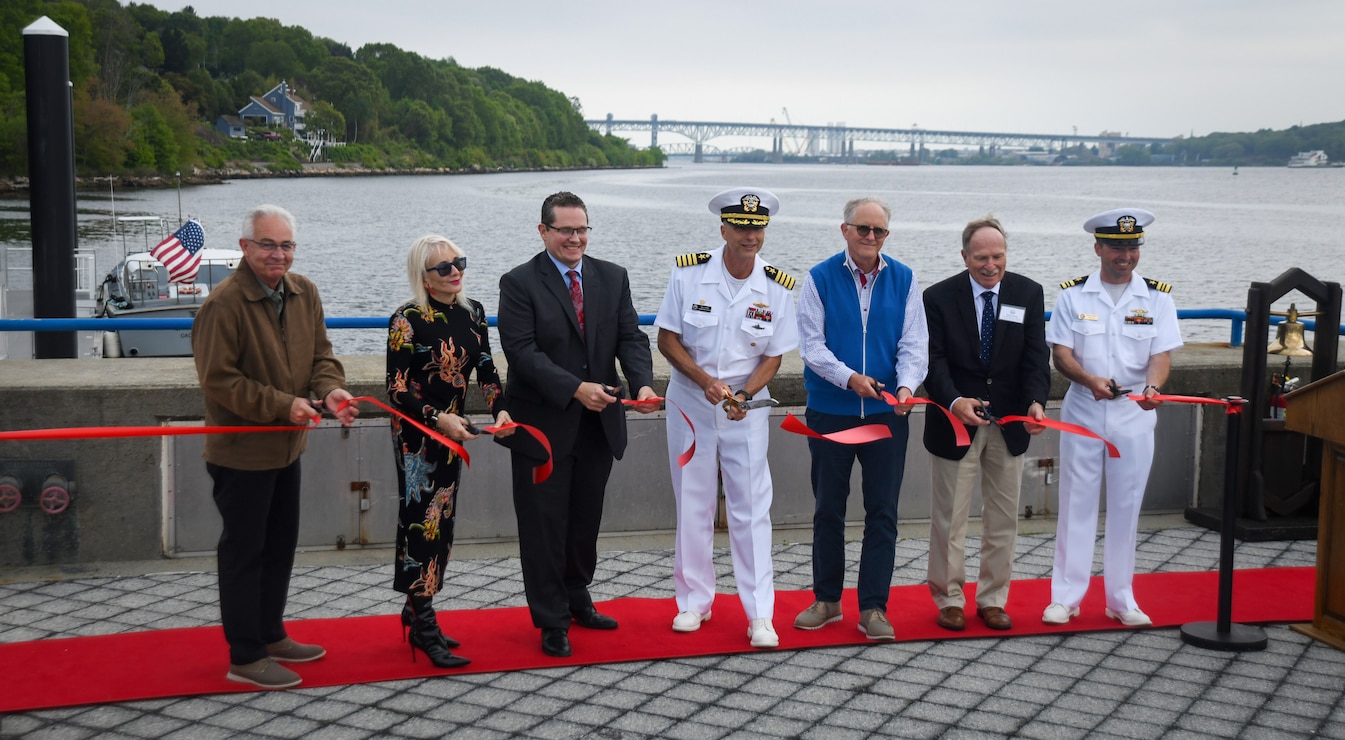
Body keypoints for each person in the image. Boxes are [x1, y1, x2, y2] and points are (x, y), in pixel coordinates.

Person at [192, 204, 359, 689]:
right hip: (242, 452)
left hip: (289, 447)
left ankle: (269, 633)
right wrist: (284, 405)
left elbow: (321, 357)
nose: (278, 254)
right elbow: (219, 383)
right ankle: (244, 656)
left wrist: (330, 391)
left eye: (286, 245)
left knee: (280, 545)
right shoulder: (222, 305)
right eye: (268, 244)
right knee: (244, 551)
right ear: (245, 247)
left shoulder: (304, 292)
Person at [497, 191, 658, 658]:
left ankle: (576, 595)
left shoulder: (612, 277)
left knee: (584, 519)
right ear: (543, 231)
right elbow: (522, 353)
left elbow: (631, 336)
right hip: (543, 426)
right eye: (566, 229)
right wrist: (574, 388)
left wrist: (642, 385)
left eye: (582, 228)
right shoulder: (519, 282)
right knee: (543, 522)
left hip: (599, 423)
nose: (576, 238)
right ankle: (550, 619)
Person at [654, 187, 799, 649]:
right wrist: (703, 381)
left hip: (745, 409)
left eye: (757, 228)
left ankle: (760, 614)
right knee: (693, 502)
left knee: (752, 509)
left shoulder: (778, 287)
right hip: (691, 405)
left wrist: (741, 393)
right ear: (723, 229)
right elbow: (668, 340)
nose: (749, 235)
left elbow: (775, 357)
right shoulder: (689, 275)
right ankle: (694, 601)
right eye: (740, 226)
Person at [795, 196, 928, 641]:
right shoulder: (818, 278)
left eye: (879, 231)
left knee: (883, 512)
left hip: (888, 417)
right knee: (828, 509)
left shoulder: (905, 279)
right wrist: (850, 379)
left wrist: (907, 386)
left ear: (886, 235)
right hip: (831, 413)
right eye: (863, 229)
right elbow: (812, 348)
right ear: (845, 229)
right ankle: (827, 600)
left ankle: (873, 607)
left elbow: (913, 344)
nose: (871, 237)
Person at [1043, 208, 1182, 627]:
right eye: (1117, 247)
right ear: (1098, 248)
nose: (1125, 255)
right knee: (1076, 504)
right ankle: (1066, 598)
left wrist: (1154, 388)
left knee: (1126, 507)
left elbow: (1160, 355)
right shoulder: (1072, 296)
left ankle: (1121, 599)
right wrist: (1088, 380)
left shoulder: (1158, 298)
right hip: (1084, 411)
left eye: (1132, 247)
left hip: (1134, 417)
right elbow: (1061, 354)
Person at [386, 234, 514, 668]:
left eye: (459, 261)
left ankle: (416, 609)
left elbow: (487, 370)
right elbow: (396, 389)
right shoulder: (407, 319)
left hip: (454, 431)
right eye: (444, 267)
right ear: (424, 276)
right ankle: (422, 622)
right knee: (421, 521)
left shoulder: (472, 311)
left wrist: (499, 411)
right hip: (418, 437)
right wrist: (436, 417)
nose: (455, 271)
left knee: (442, 518)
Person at [922, 216, 1050, 632]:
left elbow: (1036, 359)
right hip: (955, 423)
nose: (990, 265)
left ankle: (993, 599)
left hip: (1010, 424)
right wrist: (955, 401)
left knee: (1003, 518)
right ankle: (950, 599)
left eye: (998, 256)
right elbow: (933, 362)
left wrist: (1035, 402)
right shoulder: (938, 297)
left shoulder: (1028, 293)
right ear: (965, 257)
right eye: (981, 257)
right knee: (950, 518)